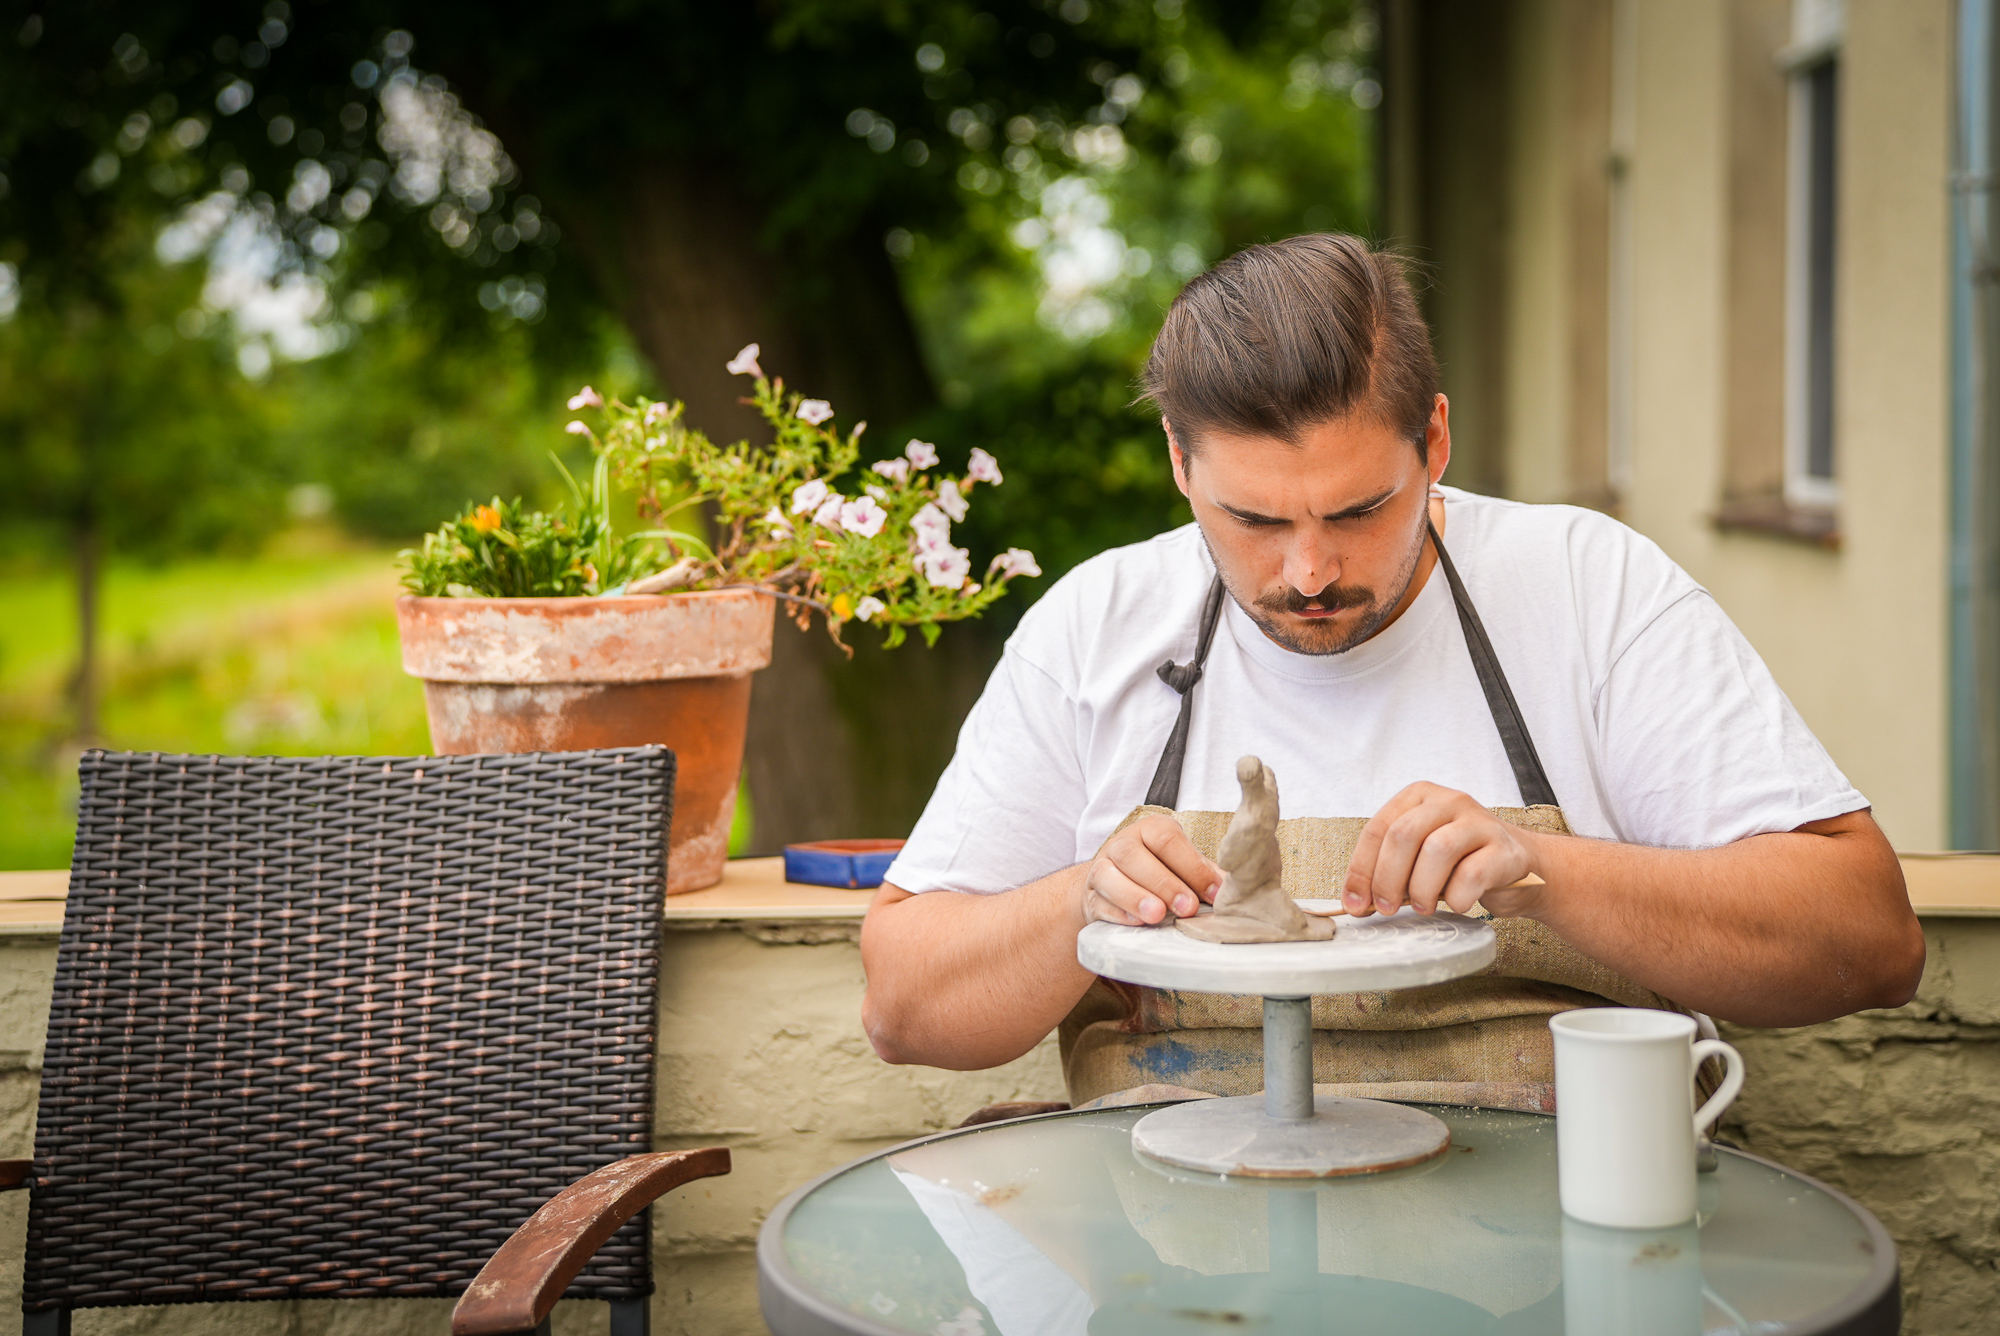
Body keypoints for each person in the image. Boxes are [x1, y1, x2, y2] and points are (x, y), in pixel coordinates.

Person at [859, 233, 1923, 1109]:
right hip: (1172, 1249)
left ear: (1435, 440)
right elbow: (902, 1008)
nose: (1309, 570)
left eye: (1359, 510)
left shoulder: (1589, 588)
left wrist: (1540, 871)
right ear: (1180, 466)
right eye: (1254, 519)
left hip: (1561, 1228)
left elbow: (1867, 943)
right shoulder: (1095, 627)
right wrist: (1078, 902)